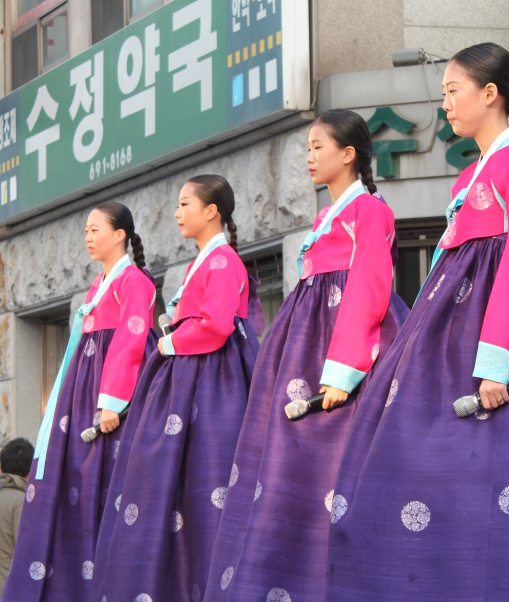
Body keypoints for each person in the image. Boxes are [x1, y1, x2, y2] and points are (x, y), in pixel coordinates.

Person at [324, 43, 509, 601]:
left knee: (507, 464)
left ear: (490, 93)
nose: (445, 104)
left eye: (453, 91)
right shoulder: (471, 175)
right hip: (453, 334)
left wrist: (497, 364)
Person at [203, 110, 409, 602]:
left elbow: (369, 286)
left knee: (336, 460)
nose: (310, 157)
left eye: (319, 147)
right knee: (292, 466)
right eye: (309, 148)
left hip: (340, 350)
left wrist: (343, 371)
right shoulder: (327, 216)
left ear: (349, 153)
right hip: (309, 342)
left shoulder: (369, 210)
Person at [92, 175, 263, 602]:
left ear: (212, 211)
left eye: (185, 204)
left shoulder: (221, 260)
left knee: (205, 477)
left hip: (212, 378)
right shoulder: (205, 261)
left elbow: (217, 325)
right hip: (196, 374)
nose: (176, 213)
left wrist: (170, 342)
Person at [3, 202, 157, 602]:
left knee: (103, 482)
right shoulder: (100, 282)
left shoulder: (134, 281)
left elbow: (131, 341)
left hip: (105, 397)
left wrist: (112, 403)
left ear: (119, 235)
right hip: (85, 391)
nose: (87, 237)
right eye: (86, 231)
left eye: (94, 230)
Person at [0, 438, 34, 597]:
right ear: (31, 470)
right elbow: (27, 555)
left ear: (1, 468)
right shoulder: (23, 503)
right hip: (10, 591)